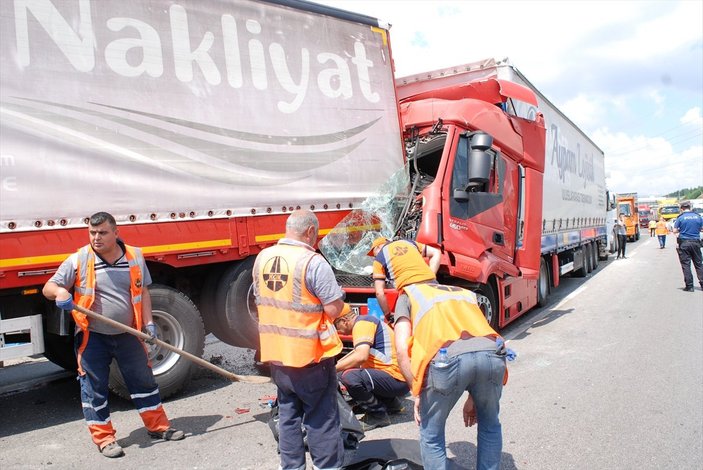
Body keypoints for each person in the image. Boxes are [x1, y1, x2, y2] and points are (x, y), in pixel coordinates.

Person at [42, 212, 183, 458]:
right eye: (92, 233)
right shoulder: (79, 259)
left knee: (144, 382)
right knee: (93, 389)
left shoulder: (134, 256)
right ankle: (105, 439)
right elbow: (48, 288)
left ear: (116, 233)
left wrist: (149, 324)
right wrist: (60, 294)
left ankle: (158, 427)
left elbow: (144, 292)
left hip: (128, 334)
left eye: (102, 233)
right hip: (93, 336)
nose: (96, 238)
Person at [253, 209, 346, 470]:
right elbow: (333, 309)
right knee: (321, 419)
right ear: (310, 232)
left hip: (277, 355)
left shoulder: (263, 258)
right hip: (309, 356)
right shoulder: (312, 262)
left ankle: (292, 467)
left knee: (288, 416)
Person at [393, 282, 509, 470]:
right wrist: (474, 395)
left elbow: (401, 350)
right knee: (490, 424)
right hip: (492, 354)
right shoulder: (465, 292)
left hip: (448, 361)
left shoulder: (408, 294)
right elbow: (476, 344)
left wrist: (417, 392)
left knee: (431, 435)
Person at [334, 304, 409, 431]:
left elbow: (360, 357)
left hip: (396, 378)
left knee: (348, 376)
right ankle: (390, 404)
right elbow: (354, 355)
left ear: (344, 321)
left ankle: (378, 415)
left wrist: (331, 371)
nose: (337, 330)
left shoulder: (362, 324)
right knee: (348, 372)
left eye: (336, 326)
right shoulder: (365, 322)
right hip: (397, 378)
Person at [369, 237, 441, 319]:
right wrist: (431, 275)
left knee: (402, 321)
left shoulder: (379, 259)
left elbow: (379, 293)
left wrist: (388, 315)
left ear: (378, 247)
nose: (374, 256)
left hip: (409, 291)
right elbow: (436, 252)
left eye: (374, 253)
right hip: (432, 286)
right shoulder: (409, 242)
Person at [672, 201, 703, 292]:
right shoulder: (698, 217)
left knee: (686, 265)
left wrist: (682, 231)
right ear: (690, 207)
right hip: (696, 242)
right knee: (699, 264)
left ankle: (689, 286)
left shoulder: (680, 218)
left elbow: (674, 231)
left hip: (684, 242)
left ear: (682, 209)